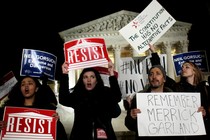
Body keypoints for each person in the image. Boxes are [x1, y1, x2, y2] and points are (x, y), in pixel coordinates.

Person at [148, 44, 209, 140]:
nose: (183, 68)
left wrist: (205, 113)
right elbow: (160, 72)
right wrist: (154, 52)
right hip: (184, 133)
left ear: (194, 71)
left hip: (202, 130)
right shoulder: (176, 86)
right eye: (182, 67)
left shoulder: (204, 88)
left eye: (187, 67)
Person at [59, 61, 122, 140]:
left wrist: (112, 74)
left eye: (92, 77)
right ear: (82, 80)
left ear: (97, 80)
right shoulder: (78, 95)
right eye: (85, 77)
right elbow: (63, 99)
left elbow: (117, 97)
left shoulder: (105, 93)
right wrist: (64, 74)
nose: (89, 80)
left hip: (104, 135)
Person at [0, 75, 68, 140]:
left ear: (36, 89)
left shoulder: (47, 110)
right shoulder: (9, 110)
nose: (26, 86)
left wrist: (56, 123)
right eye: (23, 84)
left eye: (30, 83)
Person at [124, 64, 180, 140]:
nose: (154, 77)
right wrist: (131, 117)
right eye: (151, 74)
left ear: (164, 79)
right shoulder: (138, 98)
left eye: (158, 73)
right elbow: (130, 126)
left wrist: (198, 113)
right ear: (149, 78)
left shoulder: (174, 98)